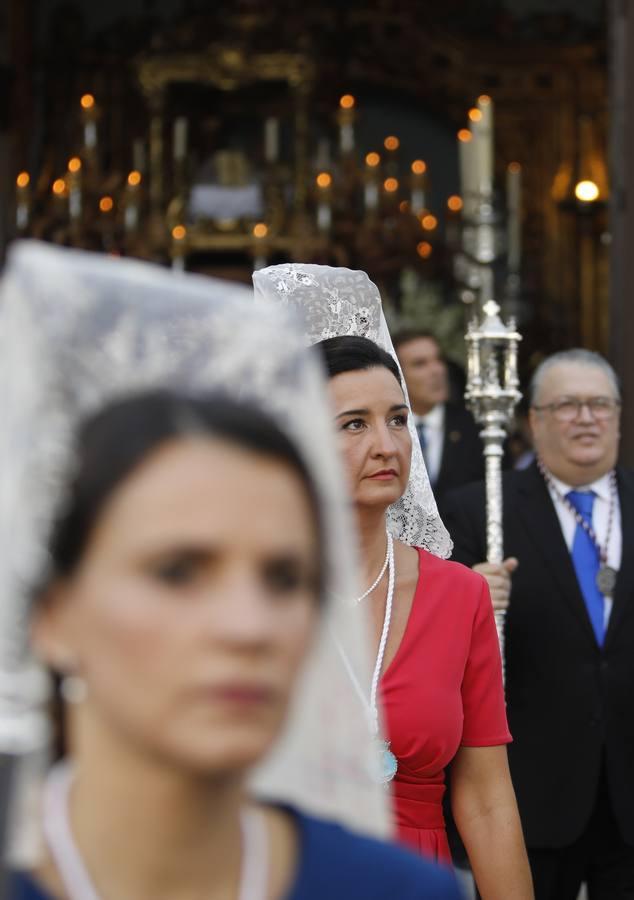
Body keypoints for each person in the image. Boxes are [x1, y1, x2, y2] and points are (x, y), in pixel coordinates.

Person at [0, 242, 464, 900]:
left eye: (284, 578)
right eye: (178, 571)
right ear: (52, 613)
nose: (249, 627)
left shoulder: (399, 891)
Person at [253, 263, 534, 900]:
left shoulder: (457, 594)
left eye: (399, 419)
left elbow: (487, 801)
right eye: (354, 424)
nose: (387, 445)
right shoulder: (251, 595)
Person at [441, 349, 634, 900]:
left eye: (600, 404)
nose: (586, 417)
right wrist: (470, 595)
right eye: (567, 404)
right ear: (534, 421)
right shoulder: (481, 510)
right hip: (530, 789)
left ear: (618, 417)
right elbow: (438, 640)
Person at [392, 329, 484, 503]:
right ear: (396, 375)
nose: (437, 371)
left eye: (439, 360)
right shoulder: (384, 429)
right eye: (420, 364)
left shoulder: (477, 428)